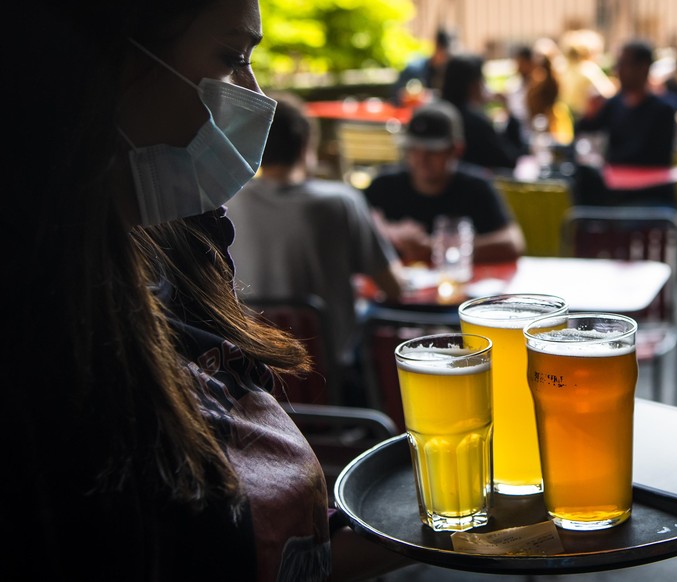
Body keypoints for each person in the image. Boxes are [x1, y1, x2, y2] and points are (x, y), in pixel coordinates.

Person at [8, 1, 408, 580]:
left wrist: (416, 529)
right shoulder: (42, 349)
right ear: (105, 63)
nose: (253, 94)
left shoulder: (187, 246)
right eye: (230, 57)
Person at [226, 92, 405, 385]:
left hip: (254, 376)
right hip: (332, 378)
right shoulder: (340, 202)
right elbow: (394, 287)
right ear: (305, 146)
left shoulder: (227, 204)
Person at [364, 100, 526, 264]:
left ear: (456, 150)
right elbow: (355, 223)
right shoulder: (383, 185)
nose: (421, 159)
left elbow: (512, 243)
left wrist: (441, 248)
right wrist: (389, 232)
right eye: (414, 148)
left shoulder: (476, 187)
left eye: (432, 151)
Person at [573, 39, 677, 207]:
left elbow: (652, 156)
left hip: (650, 192)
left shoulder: (665, 109)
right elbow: (584, 130)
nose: (618, 71)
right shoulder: (613, 105)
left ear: (643, 67)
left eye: (624, 64)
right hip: (616, 188)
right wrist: (589, 114)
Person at [441, 53, 527, 173]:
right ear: (474, 85)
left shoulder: (439, 115)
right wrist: (510, 113)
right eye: (483, 79)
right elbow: (509, 159)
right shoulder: (475, 123)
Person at [558, 28, 616, 120]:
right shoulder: (588, 69)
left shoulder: (565, 68)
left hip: (567, 114)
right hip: (585, 117)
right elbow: (607, 94)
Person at [392, 27, 455, 106]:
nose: (447, 59)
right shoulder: (414, 69)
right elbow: (396, 96)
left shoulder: (452, 71)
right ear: (437, 48)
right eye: (445, 54)